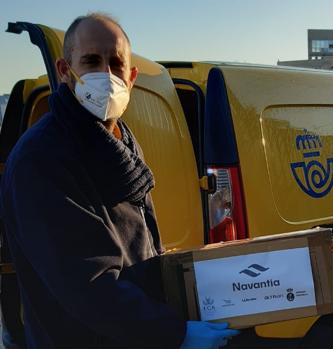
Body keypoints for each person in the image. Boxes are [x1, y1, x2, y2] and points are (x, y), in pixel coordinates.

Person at [0, 13, 237, 348]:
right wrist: (173, 333)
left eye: (116, 63)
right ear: (64, 71)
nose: (106, 75)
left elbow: (139, 241)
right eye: (92, 61)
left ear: (132, 76)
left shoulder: (120, 140)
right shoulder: (42, 157)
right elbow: (87, 283)